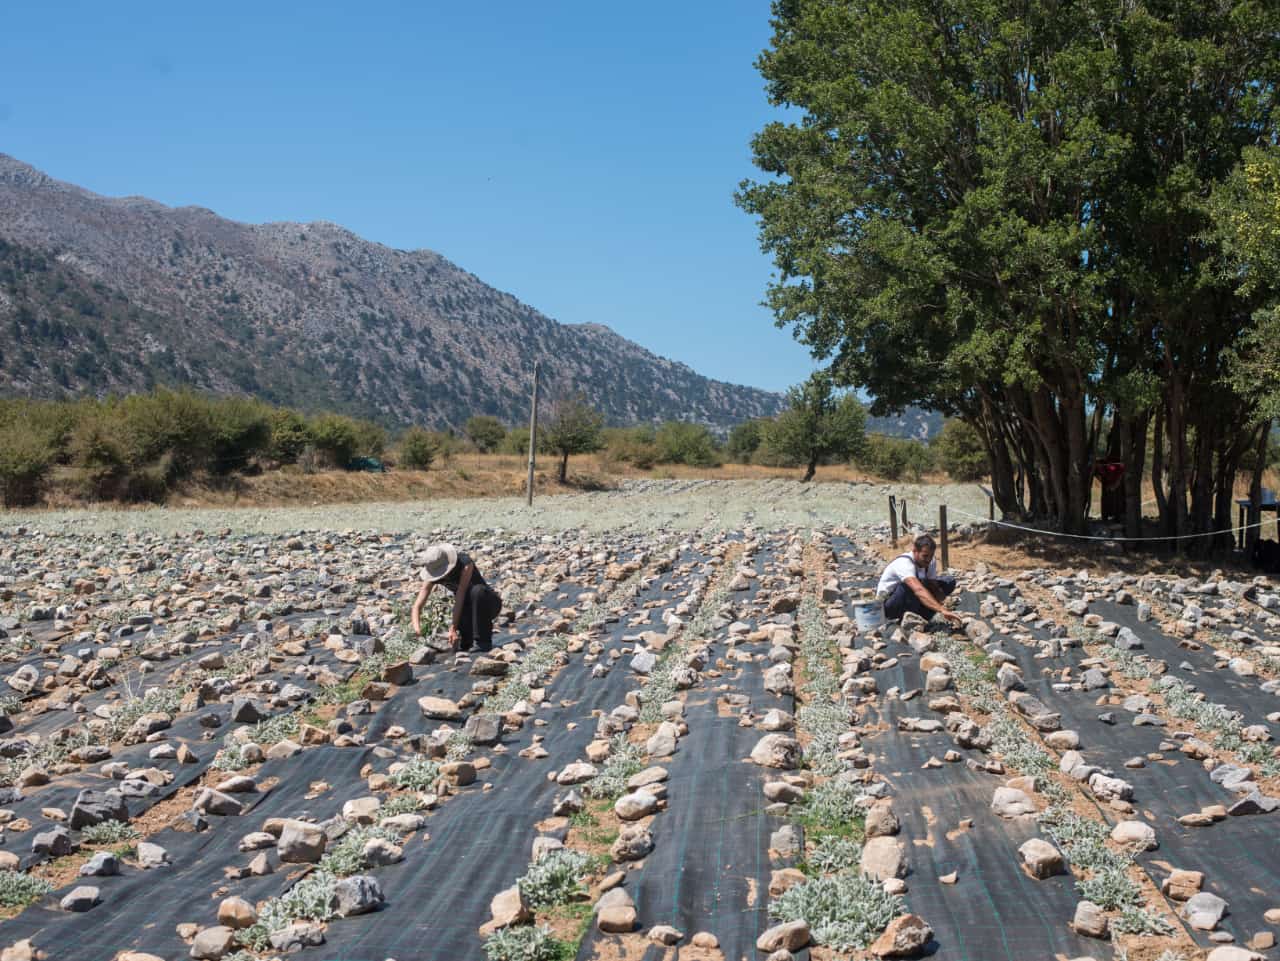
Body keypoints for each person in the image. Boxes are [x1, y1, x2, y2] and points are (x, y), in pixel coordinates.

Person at [410, 543, 503, 652]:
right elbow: (417, 605)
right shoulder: (433, 575)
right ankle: (469, 638)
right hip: (468, 610)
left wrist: (453, 628)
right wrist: (417, 630)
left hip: (488, 604)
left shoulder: (464, 563)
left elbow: (460, 595)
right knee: (465, 645)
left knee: (477, 591)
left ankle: (484, 642)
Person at [876, 534, 961, 625]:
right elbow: (918, 590)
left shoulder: (930, 561)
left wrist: (945, 602)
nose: (928, 560)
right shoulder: (904, 563)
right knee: (908, 587)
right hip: (891, 604)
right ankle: (904, 619)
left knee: (948, 581)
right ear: (915, 551)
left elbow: (933, 585)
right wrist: (941, 610)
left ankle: (922, 616)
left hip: (913, 600)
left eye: (931, 556)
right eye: (925, 556)